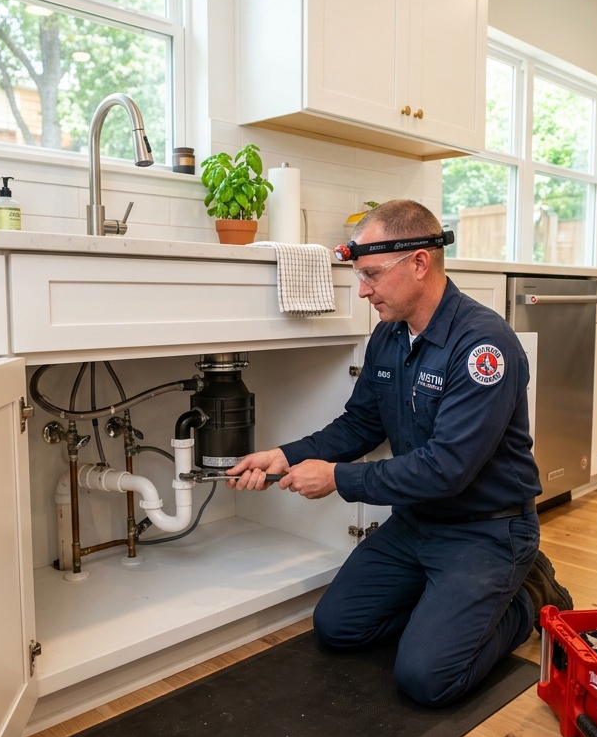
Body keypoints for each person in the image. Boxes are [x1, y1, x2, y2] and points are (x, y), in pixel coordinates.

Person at [228, 199, 572, 707]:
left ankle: (529, 594)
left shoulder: (482, 345)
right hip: (417, 524)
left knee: (426, 679)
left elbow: (446, 468)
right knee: (337, 628)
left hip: (487, 529)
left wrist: (339, 480)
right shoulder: (388, 337)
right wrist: (285, 455)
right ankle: (447, 604)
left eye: (370, 275)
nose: (362, 290)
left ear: (418, 262)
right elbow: (361, 423)